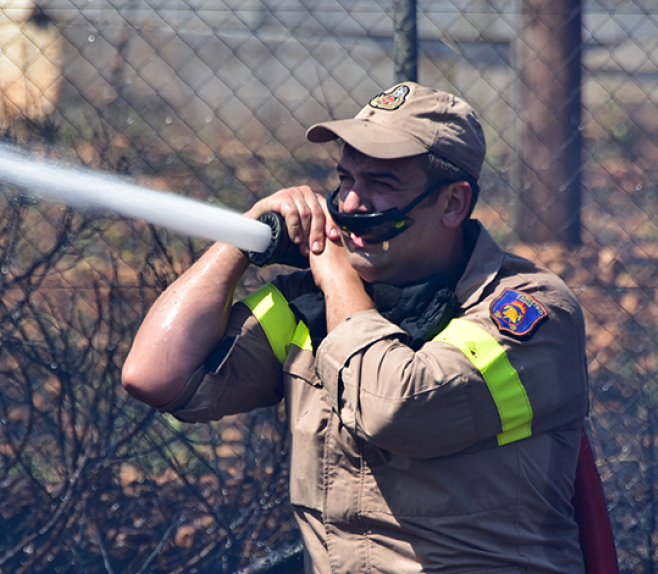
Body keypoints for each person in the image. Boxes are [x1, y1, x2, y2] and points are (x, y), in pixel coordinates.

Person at [122, 82, 589, 573]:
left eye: (381, 184)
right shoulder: (313, 302)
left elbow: (393, 409)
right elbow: (155, 376)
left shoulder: (528, 311)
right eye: (345, 178)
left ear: (453, 203)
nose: (348, 203)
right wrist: (240, 240)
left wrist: (336, 275)